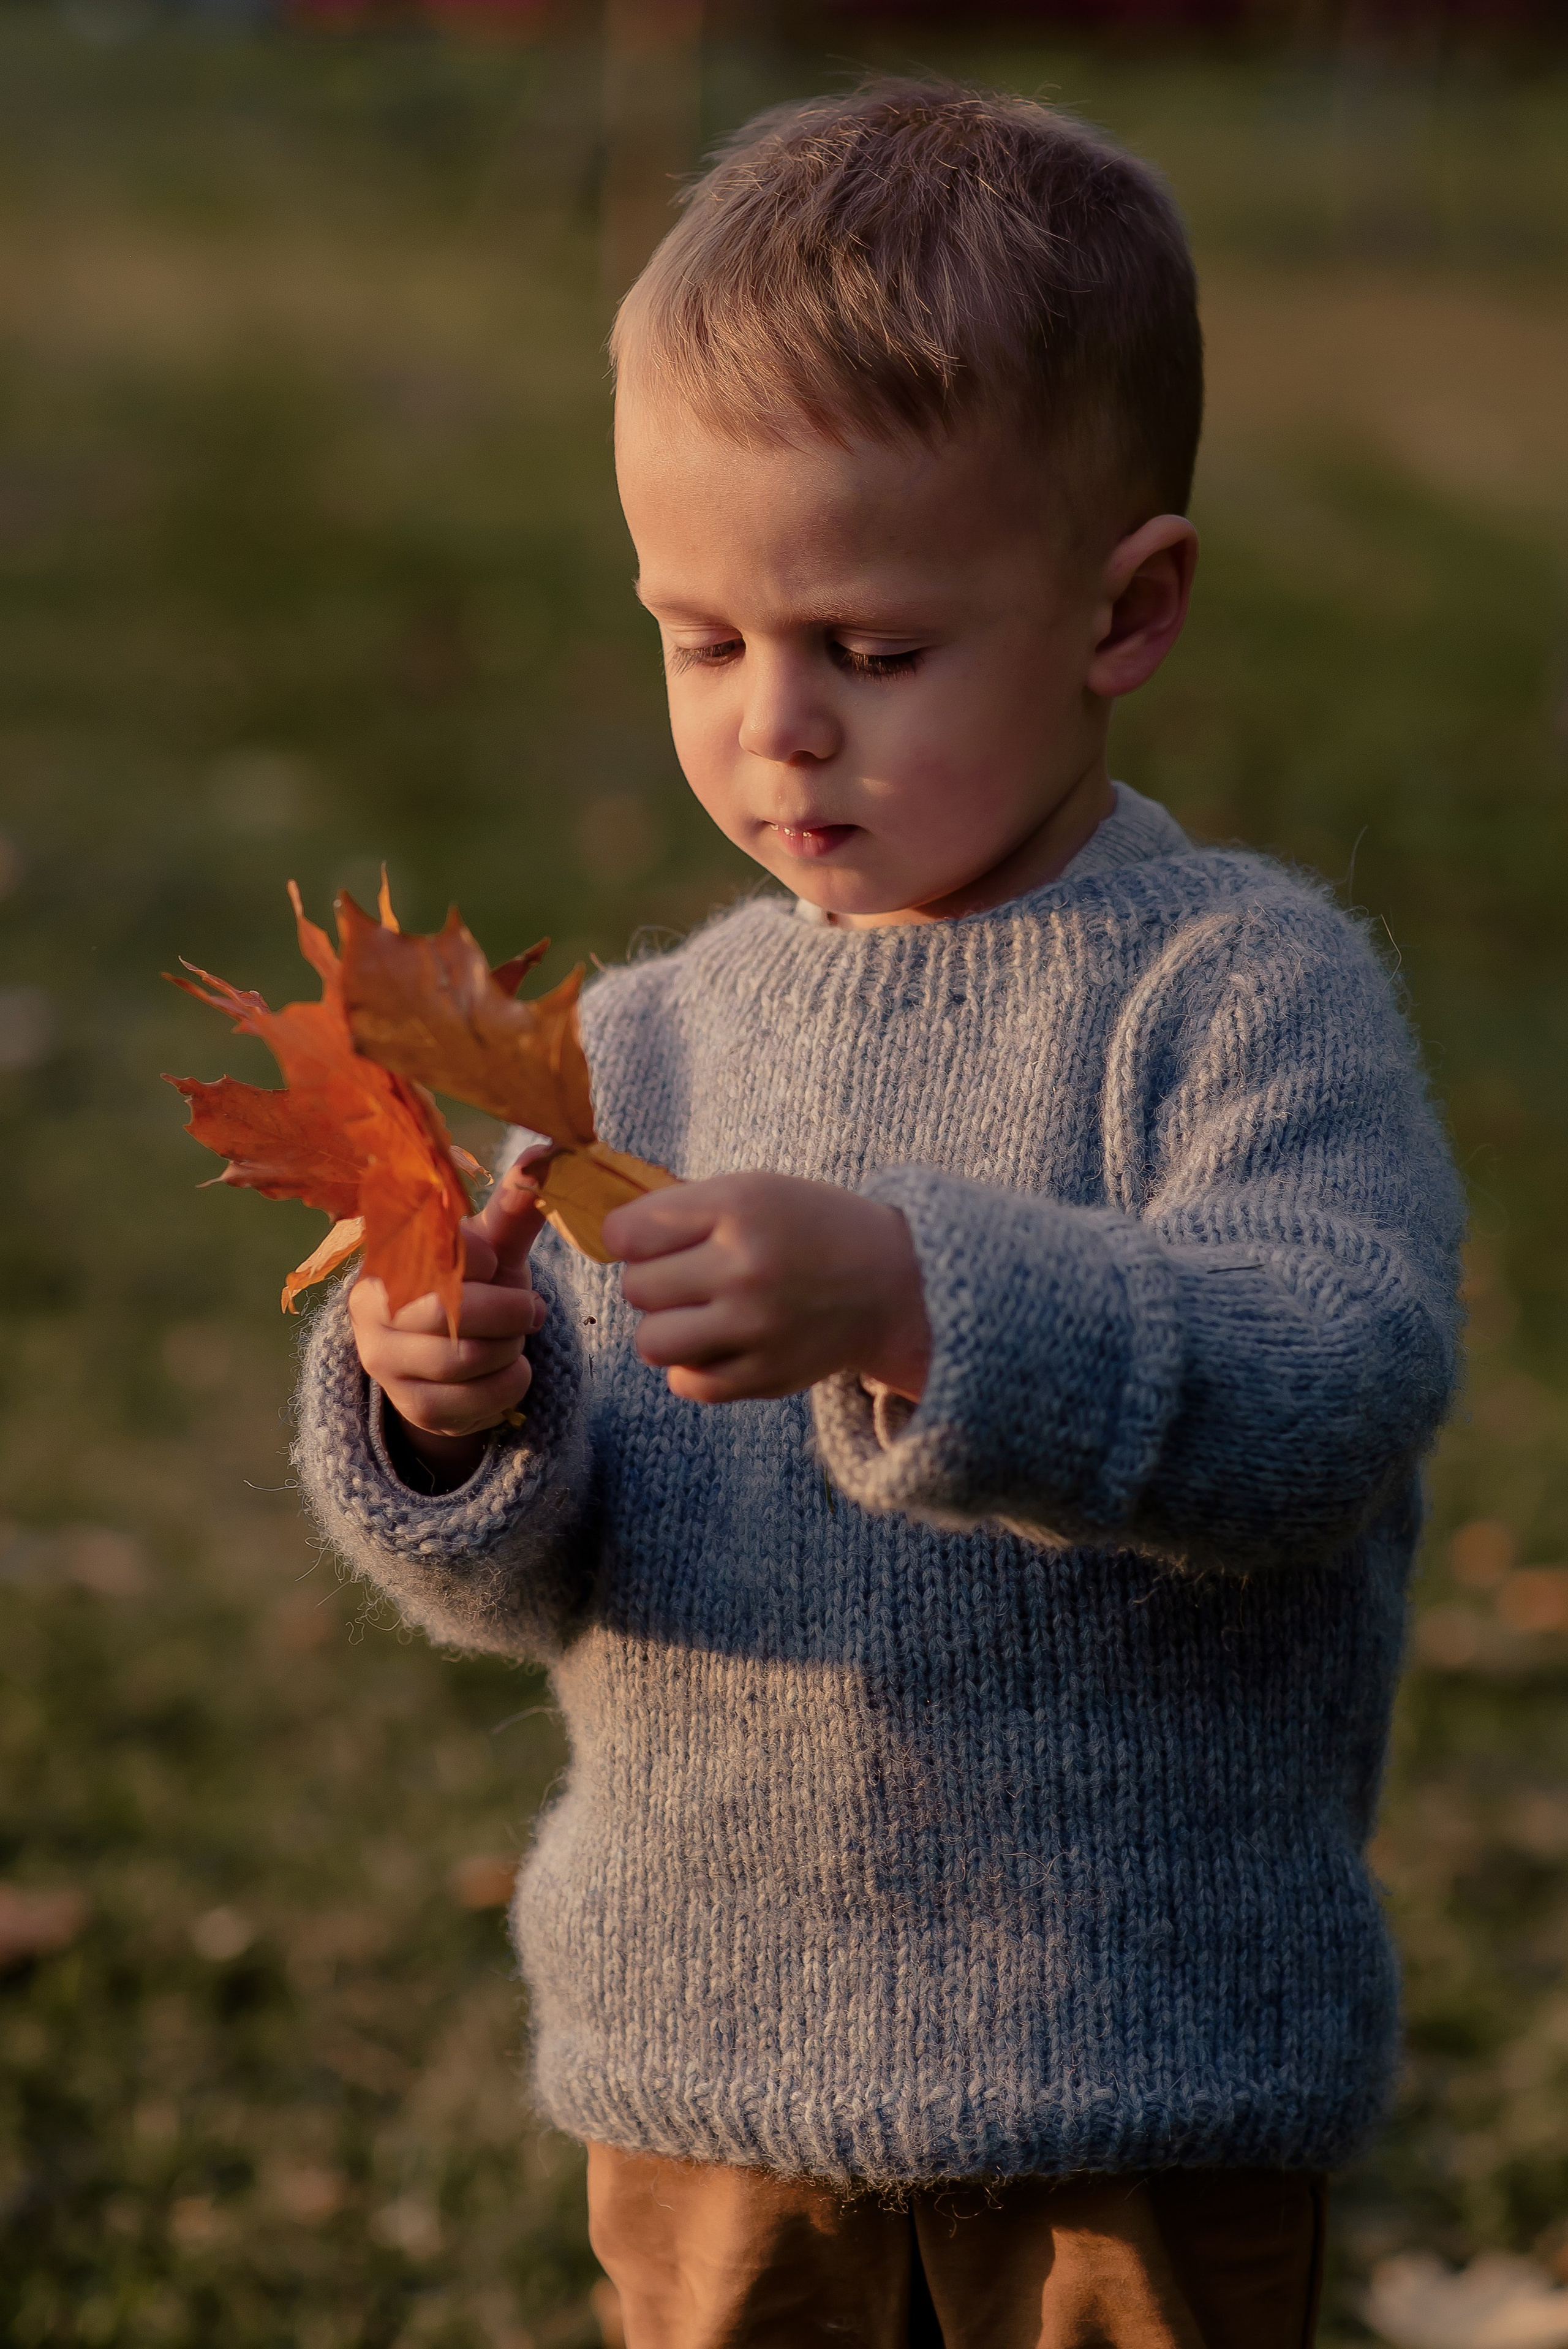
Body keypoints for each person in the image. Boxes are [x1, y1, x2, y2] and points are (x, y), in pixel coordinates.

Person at [293, 80, 1464, 2348]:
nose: (777, 733)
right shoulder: (642, 1047)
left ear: (1128, 610)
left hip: (1135, 2076)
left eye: (872, 647)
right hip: (710, 2072)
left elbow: (1332, 1381)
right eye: (701, 640)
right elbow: (536, 1575)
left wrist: (931, 1299)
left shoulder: (1235, 992)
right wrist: (449, 1415)